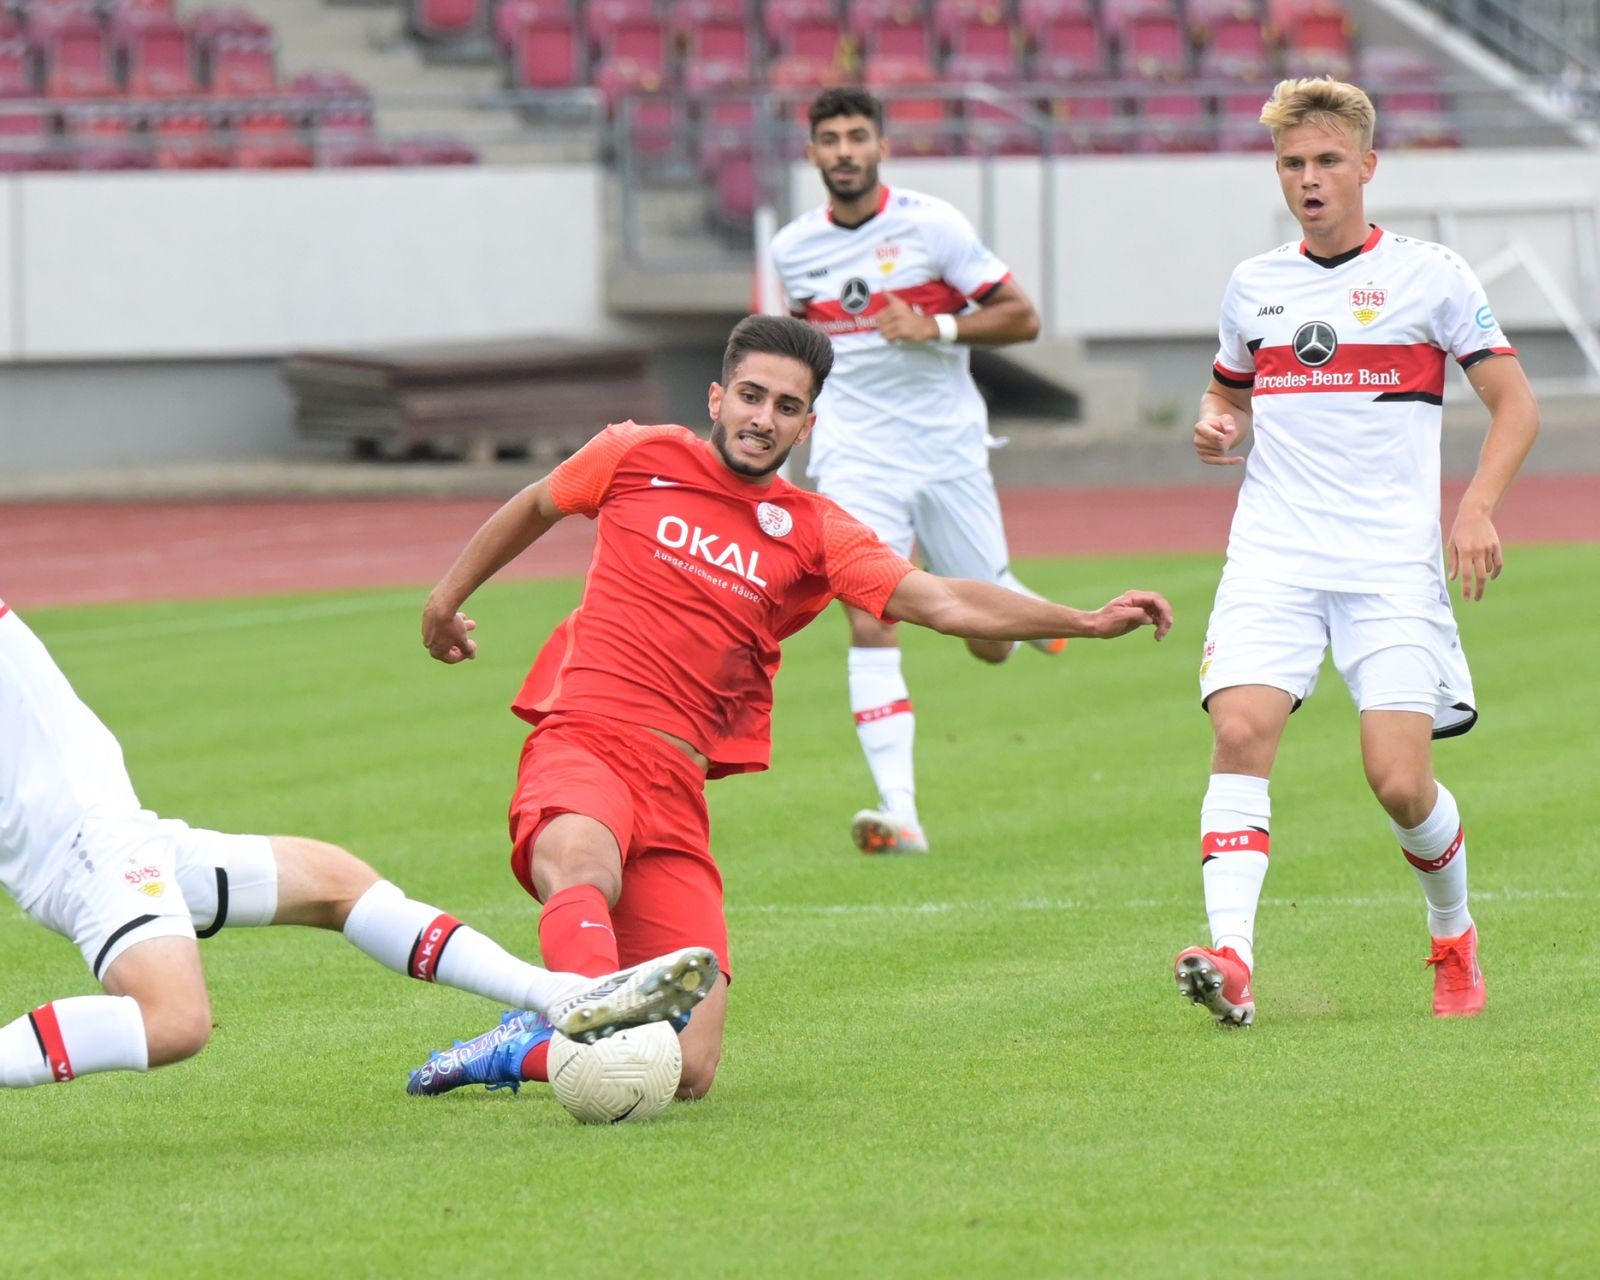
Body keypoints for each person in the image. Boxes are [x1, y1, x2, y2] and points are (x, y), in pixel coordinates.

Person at [0, 360, 720, 1167]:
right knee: (173, 1021)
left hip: (92, 825)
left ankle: (560, 996)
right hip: (79, 836)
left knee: (336, 881)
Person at [405, 315, 1172, 1102]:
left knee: (690, 1069)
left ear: (809, 423)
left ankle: (519, 1044)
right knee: (585, 868)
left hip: (676, 788)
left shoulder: (816, 532)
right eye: (750, 396)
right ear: (717, 396)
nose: (763, 419)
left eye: (785, 406)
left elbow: (940, 600)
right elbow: (537, 504)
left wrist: (1080, 620)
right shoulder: (637, 453)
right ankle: (564, 1006)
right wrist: (445, 600)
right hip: (586, 739)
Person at [1175, 78, 1539, 1027]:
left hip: (1389, 570)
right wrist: (1216, 427)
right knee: (1241, 730)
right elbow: (1229, 398)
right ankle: (1234, 962)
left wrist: (1477, 509)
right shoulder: (1255, 284)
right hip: (1273, 556)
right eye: (1293, 163)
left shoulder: (1433, 275)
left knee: (1399, 781)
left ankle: (1452, 935)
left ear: (1367, 167)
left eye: (1328, 161)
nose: (1310, 179)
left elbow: (1517, 404)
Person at [768, 86, 1060, 858]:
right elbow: (803, 345)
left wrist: (934, 324)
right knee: (870, 613)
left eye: (856, 136)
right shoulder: (794, 247)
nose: (843, 151)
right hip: (856, 455)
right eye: (828, 138)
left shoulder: (933, 226)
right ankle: (901, 813)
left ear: (881, 146)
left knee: (987, 640)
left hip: (947, 450)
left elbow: (1023, 317)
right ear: (813, 153)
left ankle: (1017, 608)